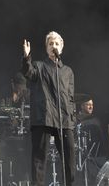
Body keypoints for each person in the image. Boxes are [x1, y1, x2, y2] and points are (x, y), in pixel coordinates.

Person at [21, 31, 76, 186]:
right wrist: (26, 57)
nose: (54, 46)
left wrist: (72, 120)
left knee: (70, 161)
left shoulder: (68, 71)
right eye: (51, 43)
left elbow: (71, 98)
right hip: (43, 117)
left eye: (57, 43)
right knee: (39, 160)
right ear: (46, 48)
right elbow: (28, 72)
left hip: (64, 119)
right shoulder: (39, 66)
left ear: (62, 47)